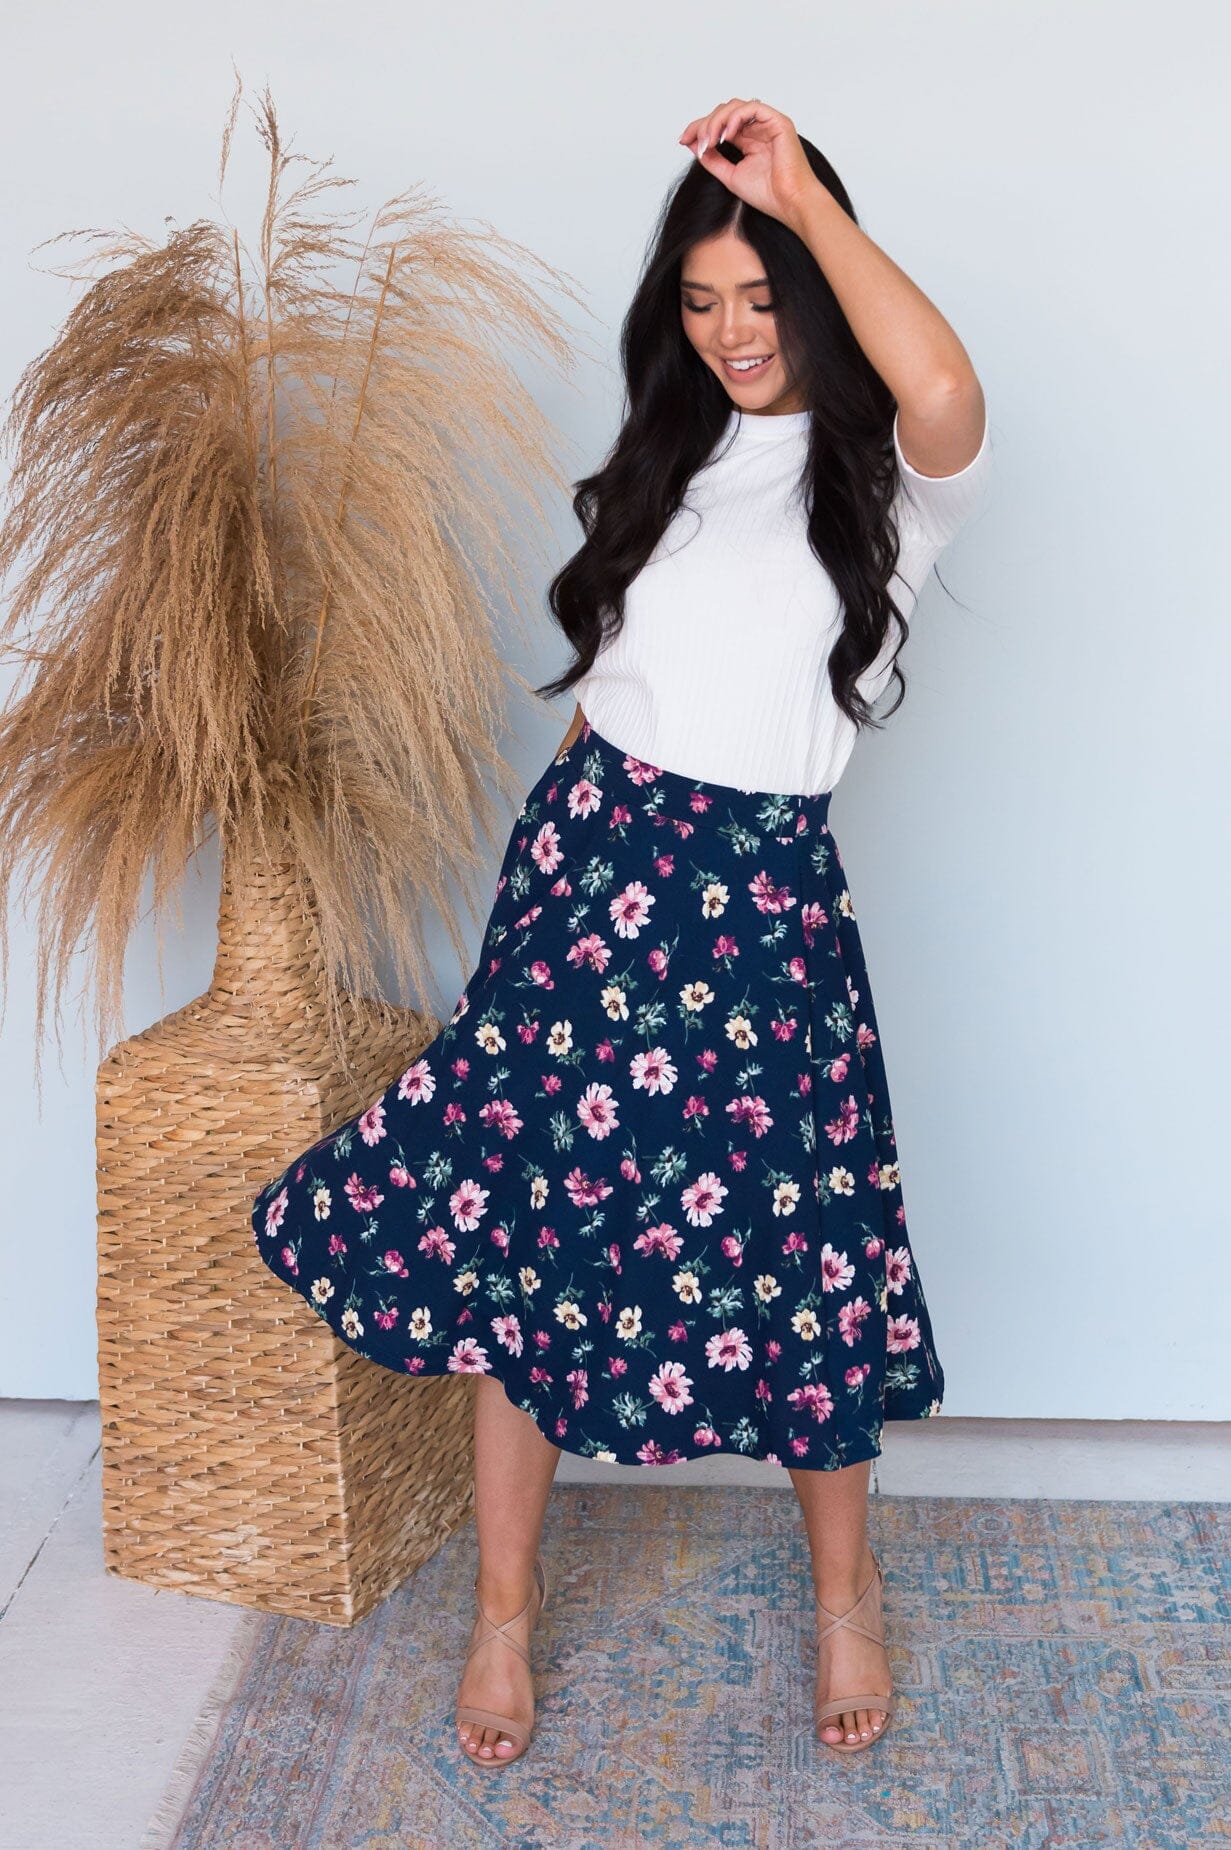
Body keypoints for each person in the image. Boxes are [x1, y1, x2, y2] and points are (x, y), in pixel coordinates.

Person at [251, 94, 993, 1768]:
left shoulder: (883, 478)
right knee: (529, 1247)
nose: (736, 333)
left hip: (760, 913)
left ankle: (846, 1592)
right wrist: (552, 882)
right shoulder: (671, 462)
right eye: (704, 301)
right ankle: (504, 1613)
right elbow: (620, 694)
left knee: (801, 1261)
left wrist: (799, 197)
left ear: (817, 287)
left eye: (767, 297)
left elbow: (943, 387)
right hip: (592, 880)